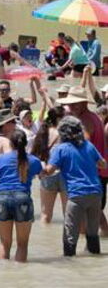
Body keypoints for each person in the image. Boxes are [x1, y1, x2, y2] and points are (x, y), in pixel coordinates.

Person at [43, 115, 108, 256]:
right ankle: (94, 260)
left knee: (70, 235)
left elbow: (49, 170)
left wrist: (38, 166)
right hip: (96, 193)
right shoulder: (89, 146)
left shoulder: (61, 149)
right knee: (92, 232)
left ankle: (69, 263)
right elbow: (103, 164)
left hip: (76, 195)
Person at [57, 82, 108, 232]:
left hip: (91, 172)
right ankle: (103, 237)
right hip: (99, 170)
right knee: (96, 211)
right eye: (70, 104)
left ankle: (86, 246)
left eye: (75, 104)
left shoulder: (85, 120)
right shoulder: (93, 116)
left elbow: (82, 146)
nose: (71, 107)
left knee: (85, 214)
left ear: (84, 103)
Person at [0, 129, 41, 262]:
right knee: (22, 244)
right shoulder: (33, 160)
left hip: (2, 198)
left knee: (4, 243)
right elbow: (43, 173)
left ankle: (4, 275)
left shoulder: (1, 159)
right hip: (22, 198)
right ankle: (19, 277)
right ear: (26, 144)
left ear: (10, 143)